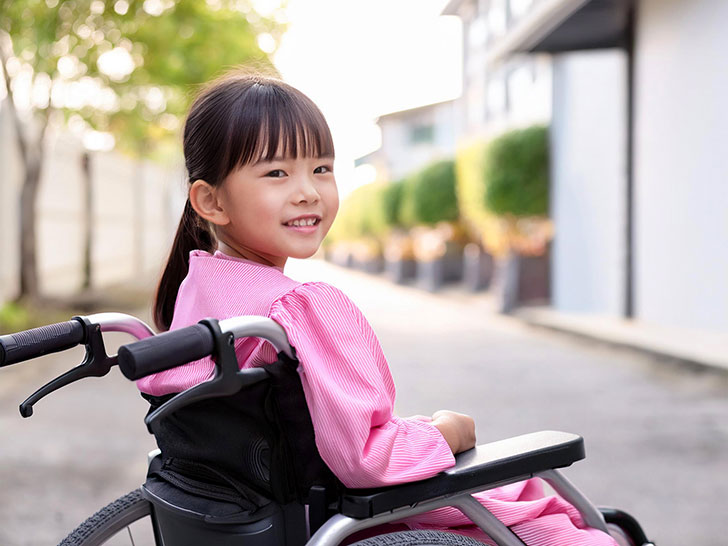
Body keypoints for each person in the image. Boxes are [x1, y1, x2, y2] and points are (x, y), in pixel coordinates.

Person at [137, 70, 617, 546]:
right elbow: (364, 459)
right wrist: (445, 433)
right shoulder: (297, 308)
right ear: (211, 202)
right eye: (277, 172)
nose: (308, 190)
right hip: (342, 516)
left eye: (321, 168)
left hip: (251, 507)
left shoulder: (198, 285)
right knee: (554, 513)